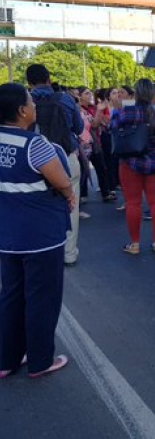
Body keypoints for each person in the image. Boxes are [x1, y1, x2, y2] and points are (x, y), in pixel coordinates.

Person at [0, 83, 73, 378]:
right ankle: (41, 360)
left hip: (6, 235)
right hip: (41, 237)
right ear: (21, 110)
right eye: (30, 101)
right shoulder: (35, 144)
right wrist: (69, 194)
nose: (33, 106)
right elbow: (61, 180)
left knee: (10, 296)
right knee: (42, 297)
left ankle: (6, 360)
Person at [26, 64, 84, 267]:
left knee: (35, 206)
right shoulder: (66, 99)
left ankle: (41, 251)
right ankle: (69, 253)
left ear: (29, 82)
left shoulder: (24, 101)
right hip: (65, 158)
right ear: (49, 79)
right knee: (70, 206)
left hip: (32, 160)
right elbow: (79, 127)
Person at [112, 79, 155, 255]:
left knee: (133, 203)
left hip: (130, 162)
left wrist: (117, 108)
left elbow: (112, 127)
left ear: (135, 93)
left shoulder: (126, 112)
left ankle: (134, 244)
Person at [77, 87, 112, 203]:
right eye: (86, 93)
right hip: (82, 145)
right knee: (83, 171)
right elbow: (91, 125)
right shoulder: (77, 110)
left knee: (101, 167)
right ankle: (82, 195)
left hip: (94, 142)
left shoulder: (92, 108)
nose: (90, 95)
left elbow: (96, 124)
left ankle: (105, 192)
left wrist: (99, 111)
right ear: (79, 96)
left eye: (90, 93)